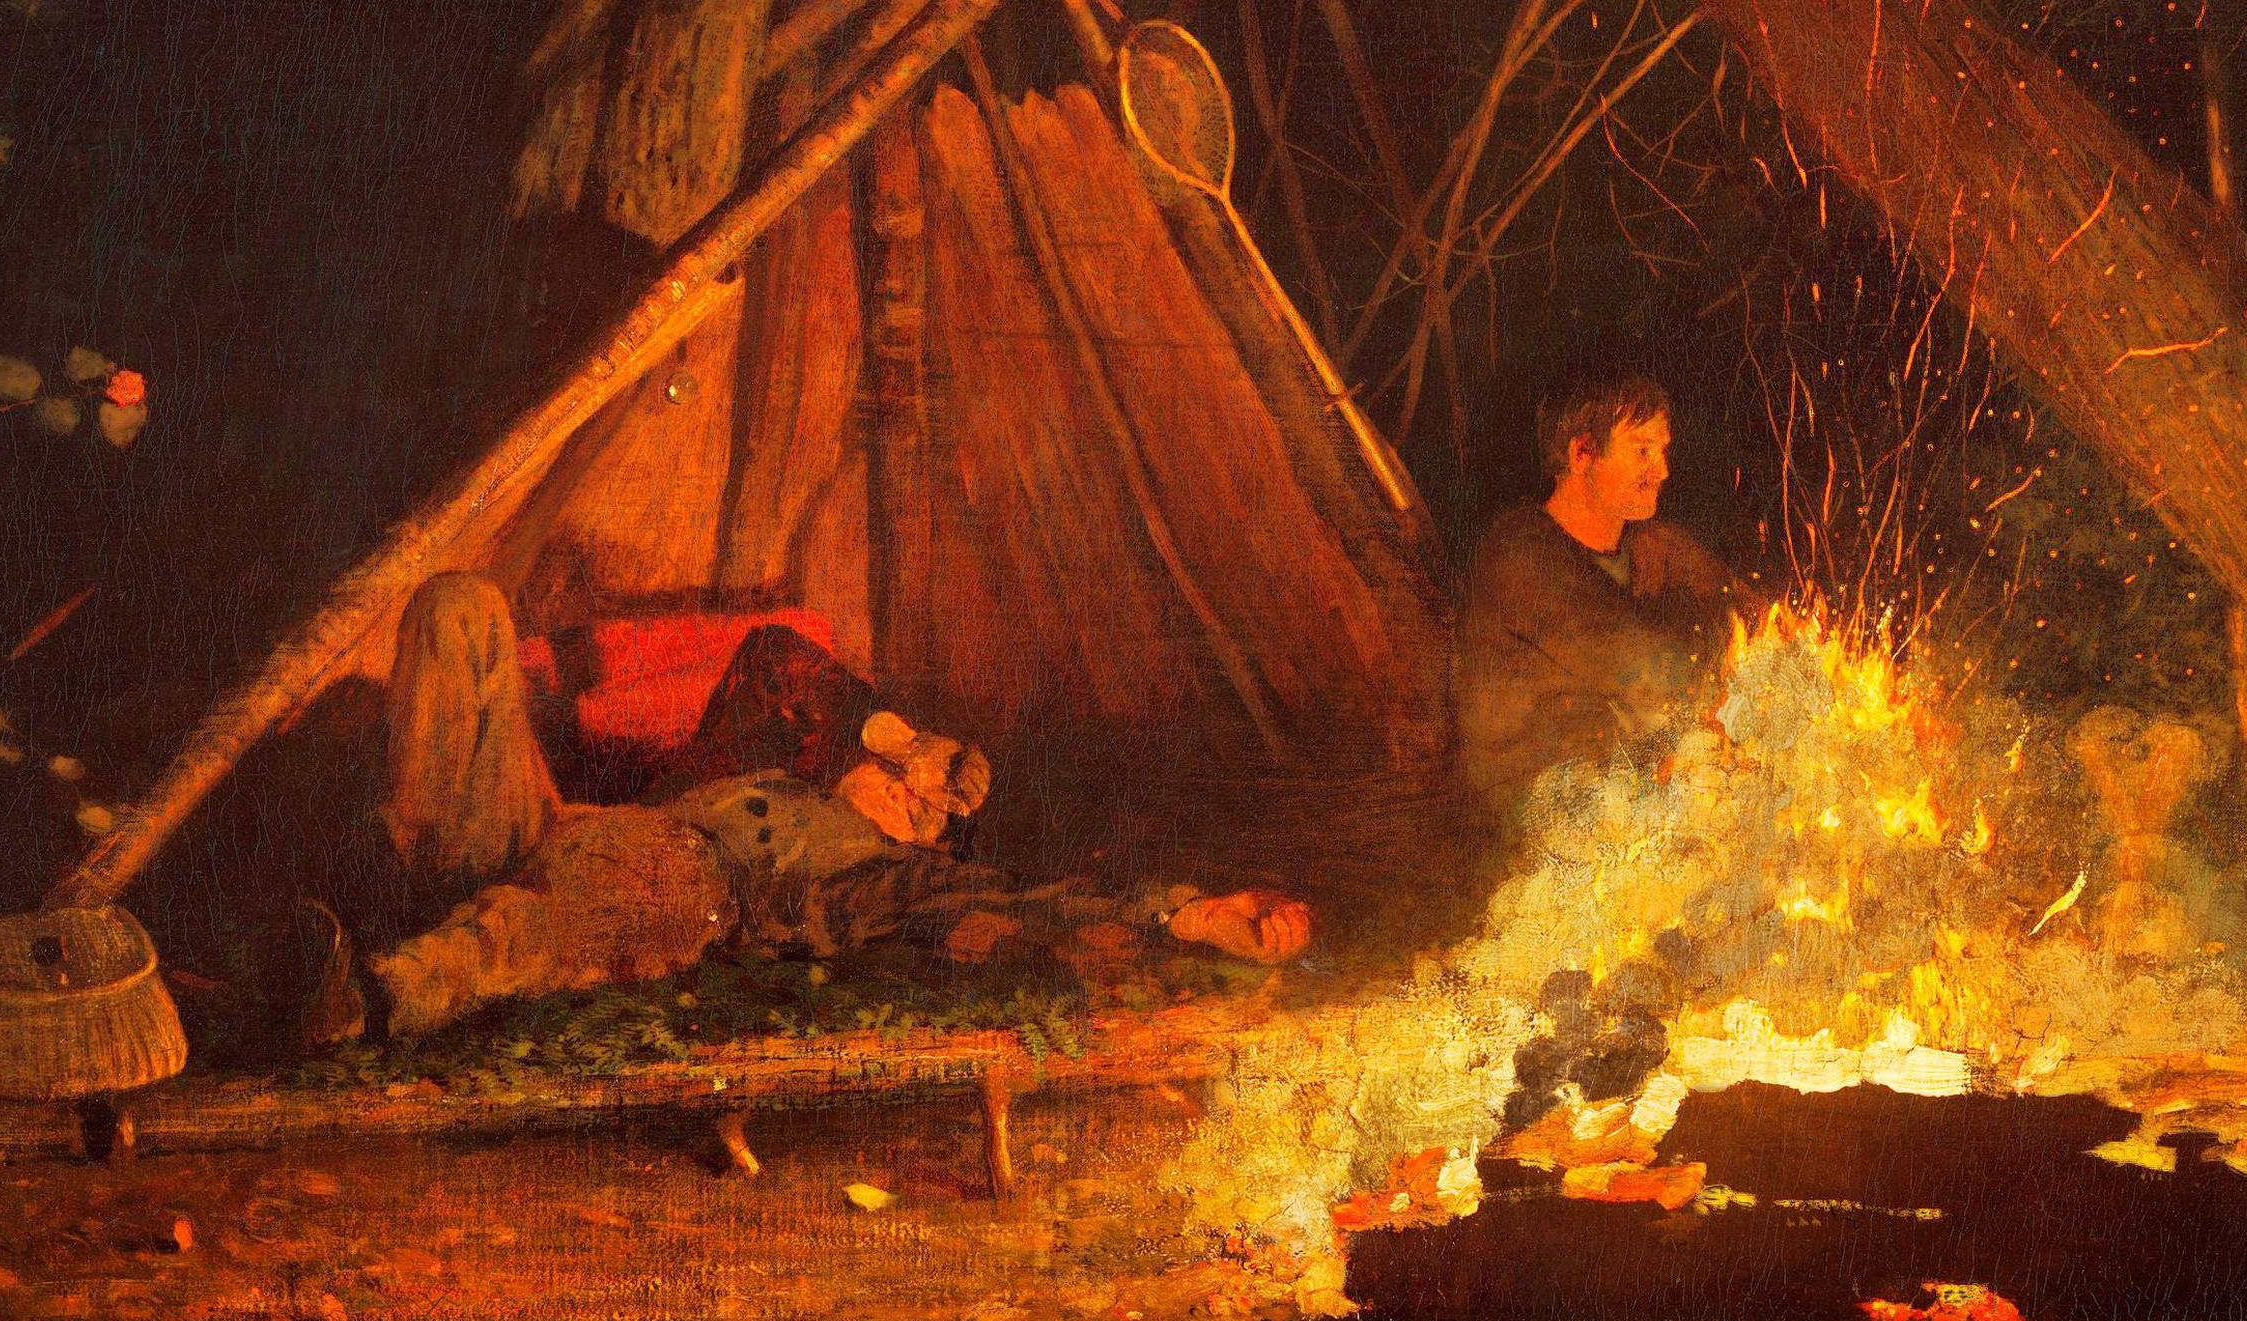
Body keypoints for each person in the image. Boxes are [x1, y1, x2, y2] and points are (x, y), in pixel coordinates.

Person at [351, 573, 1308, 1042]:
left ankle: (379, 988)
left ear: (936, 847)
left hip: (690, 881)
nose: (914, 800)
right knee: (458, 605)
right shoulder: (781, 756)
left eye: (934, 813)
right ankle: (406, 885)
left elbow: (1038, 915)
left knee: (538, 920)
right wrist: (897, 741)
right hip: (562, 832)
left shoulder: (892, 880)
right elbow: (775, 655)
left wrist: (1194, 916)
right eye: (919, 785)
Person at [1454, 372, 1742, 817]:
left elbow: (1755, 618)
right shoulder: (1519, 556)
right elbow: (1652, 675)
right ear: (1582, 453)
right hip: (1542, 825)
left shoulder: (1656, 546)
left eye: (1662, 451)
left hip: (1639, 798)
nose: (1662, 471)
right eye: (1643, 451)